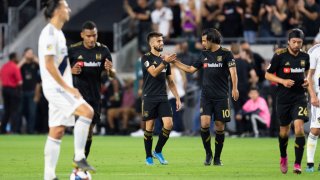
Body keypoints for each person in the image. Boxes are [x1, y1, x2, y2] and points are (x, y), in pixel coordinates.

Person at [38, 1, 95, 179]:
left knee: (57, 131)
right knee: (87, 112)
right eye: (65, 6)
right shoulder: (49, 33)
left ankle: (49, 176)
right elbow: (48, 65)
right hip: (56, 89)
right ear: (56, 10)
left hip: (57, 87)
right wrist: (69, 88)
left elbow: (58, 65)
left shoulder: (58, 34)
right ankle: (79, 157)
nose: (68, 9)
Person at [171, 28, 239, 165]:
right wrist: (175, 62)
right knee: (205, 124)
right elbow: (190, 69)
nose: (202, 43)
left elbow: (233, 72)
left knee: (219, 127)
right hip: (206, 96)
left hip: (221, 96)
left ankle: (217, 158)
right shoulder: (204, 54)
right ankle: (208, 154)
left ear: (212, 39)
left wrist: (235, 88)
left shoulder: (226, 54)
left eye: (204, 40)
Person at [265, 28, 310, 174]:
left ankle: (297, 164)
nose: (297, 45)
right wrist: (282, 81)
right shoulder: (279, 56)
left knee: (299, 128)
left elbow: (308, 71)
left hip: (299, 97)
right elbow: (268, 75)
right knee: (284, 131)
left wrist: (307, 80)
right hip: (283, 98)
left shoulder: (305, 56)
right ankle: (283, 156)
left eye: (299, 42)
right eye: (294, 42)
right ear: (288, 42)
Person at [68, 21, 114, 157]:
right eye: (88, 36)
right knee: (81, 126)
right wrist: (71, 70)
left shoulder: (103, 50)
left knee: (89, 130)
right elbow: (60, 70)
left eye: (94, 35)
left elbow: (112, 75)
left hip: (95, 96)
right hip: (78, 96)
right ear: (82, 35)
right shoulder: (73, 50)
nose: (92, 39)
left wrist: (110, 70)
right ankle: (79, 158)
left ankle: (82, 159)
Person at [141, 32, 181, 165]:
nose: (161, 43)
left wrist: (177, 97)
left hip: (163, 97)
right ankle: (148, 156)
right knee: (150, 127)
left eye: (162, 41)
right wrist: (165, 62)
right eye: (158, 41)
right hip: (149, 97)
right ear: (151, 43)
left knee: (169, 124)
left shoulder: (166, 60)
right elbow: (153, 72)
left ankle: (157, 150)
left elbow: (170, 82)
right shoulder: (146, 58)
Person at [18, 47, 40, 134]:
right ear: (24, 54)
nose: (31, 54)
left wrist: (36, 59)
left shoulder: (35, 64)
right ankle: (17, 130)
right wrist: (23, 60)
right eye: (29, 53)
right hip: (21, 92)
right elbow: (15, 70)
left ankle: (30, 130)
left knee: (32, 112)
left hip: (32, 92)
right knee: (20, 112)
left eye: (32, 53)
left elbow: (44, 66)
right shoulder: (22, 64)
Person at [305, 42, 320, 172]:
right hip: (319, 95)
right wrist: (313, 96)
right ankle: (310, 163)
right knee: (316, 129)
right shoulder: (315, 51)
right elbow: (308, 76)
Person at [0, 52, 22, 134]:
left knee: (7, 110)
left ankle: (3, 130)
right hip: (13, 90)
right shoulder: (14, 67)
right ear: (14, 58)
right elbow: (20, 82)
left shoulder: (4, 66)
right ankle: (14, 130)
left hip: (4, 90)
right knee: (15, 111)